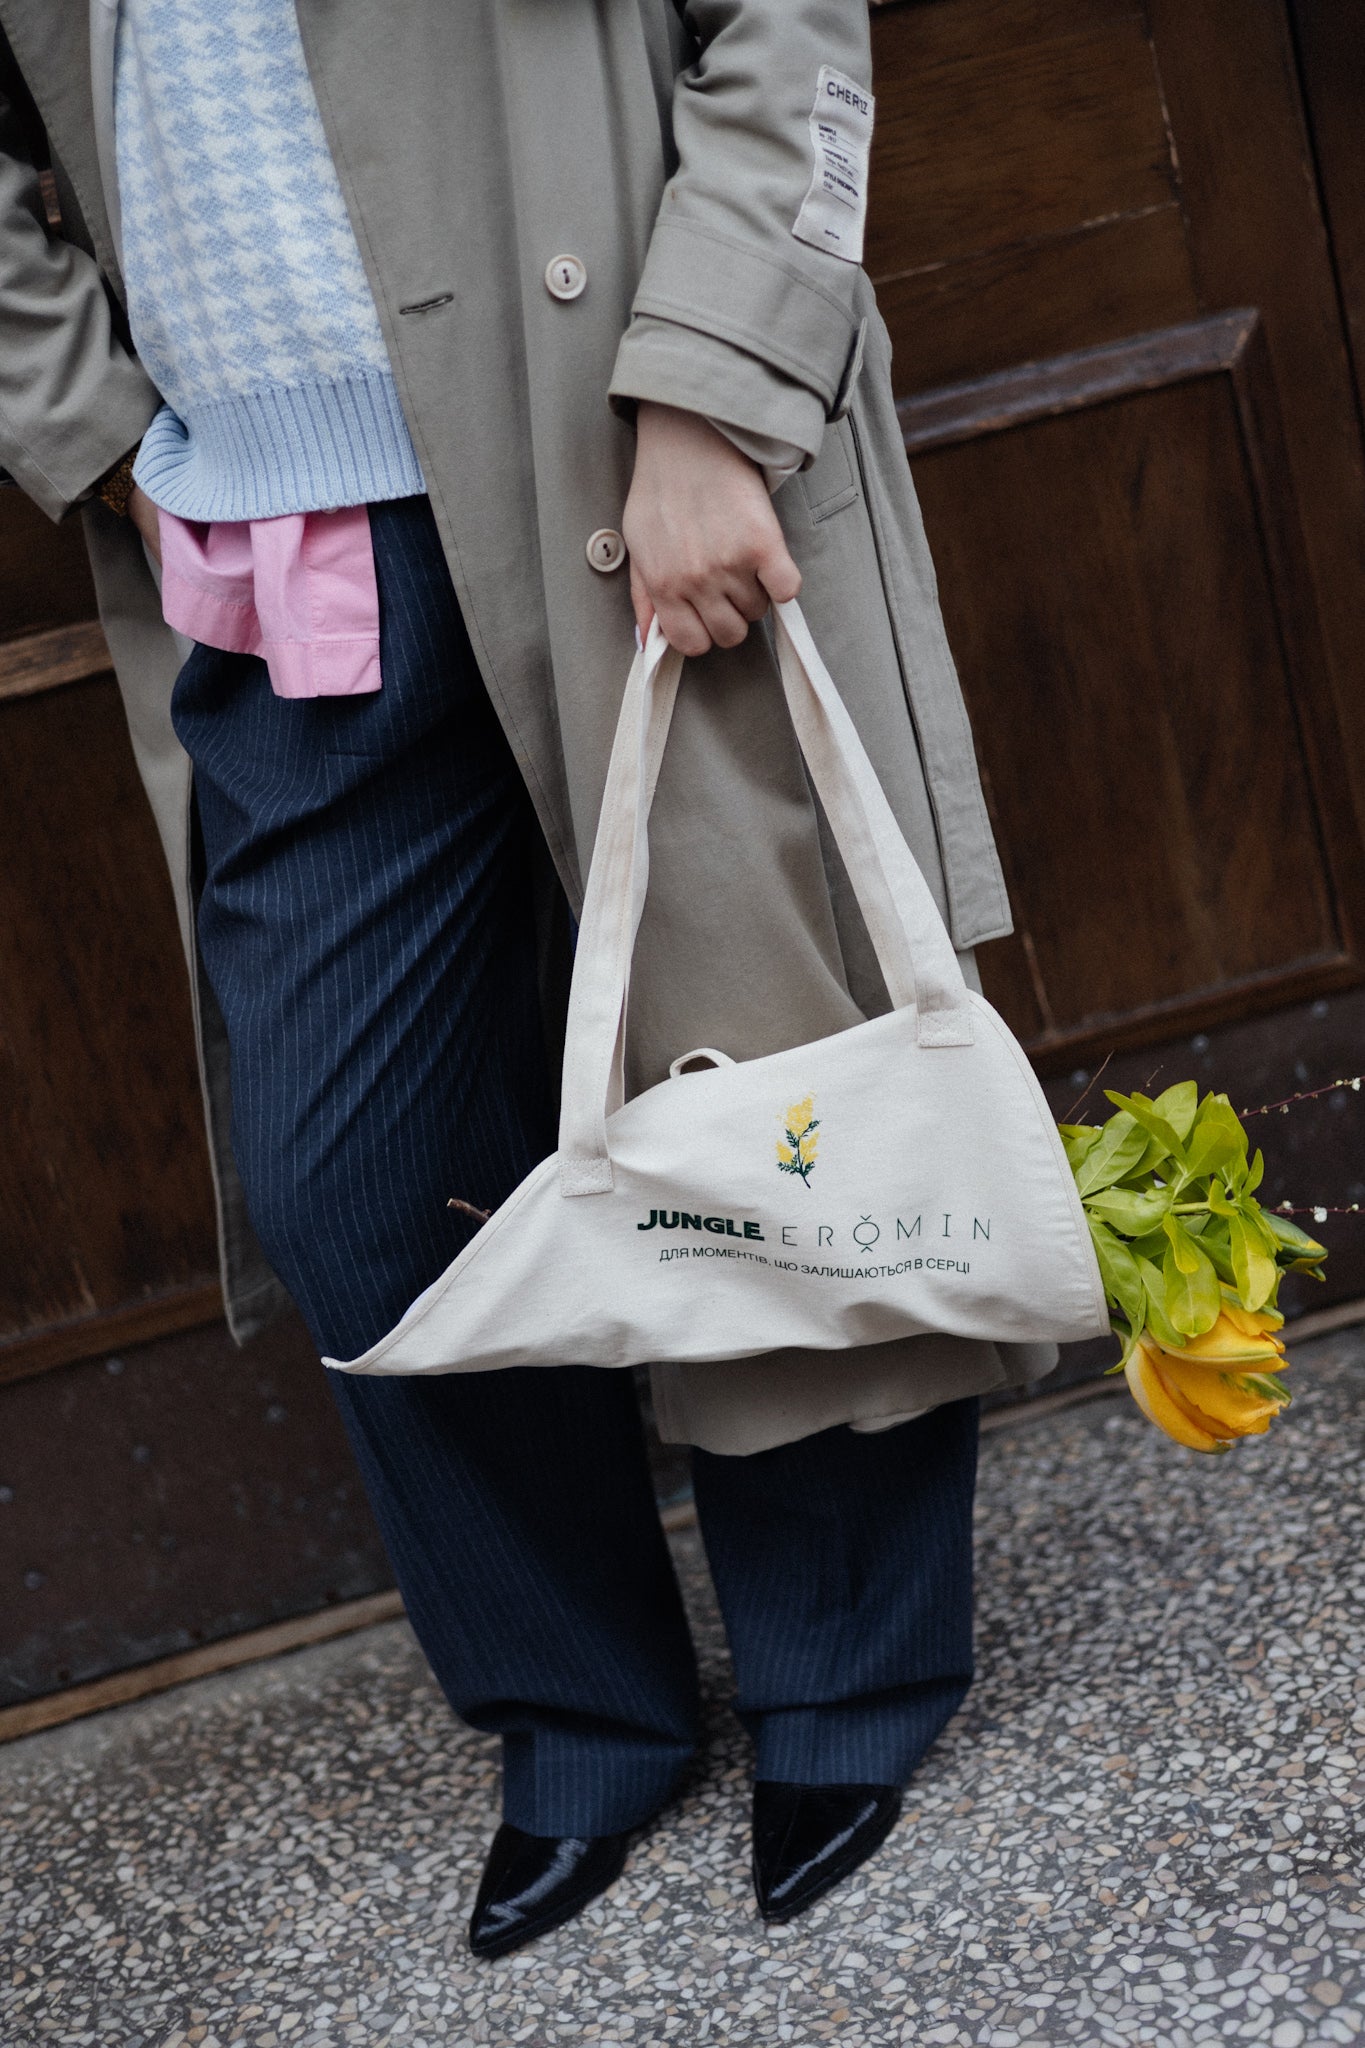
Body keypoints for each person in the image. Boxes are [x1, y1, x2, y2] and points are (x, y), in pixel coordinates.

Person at [0, 0, 1055, 1956]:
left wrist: (716, 387)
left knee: (750, 1083)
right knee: (357, 1177)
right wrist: (88, 429)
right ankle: (576, 1701)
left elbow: (784, 23)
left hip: (622, 439)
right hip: (272, 539)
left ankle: (843, 1671)